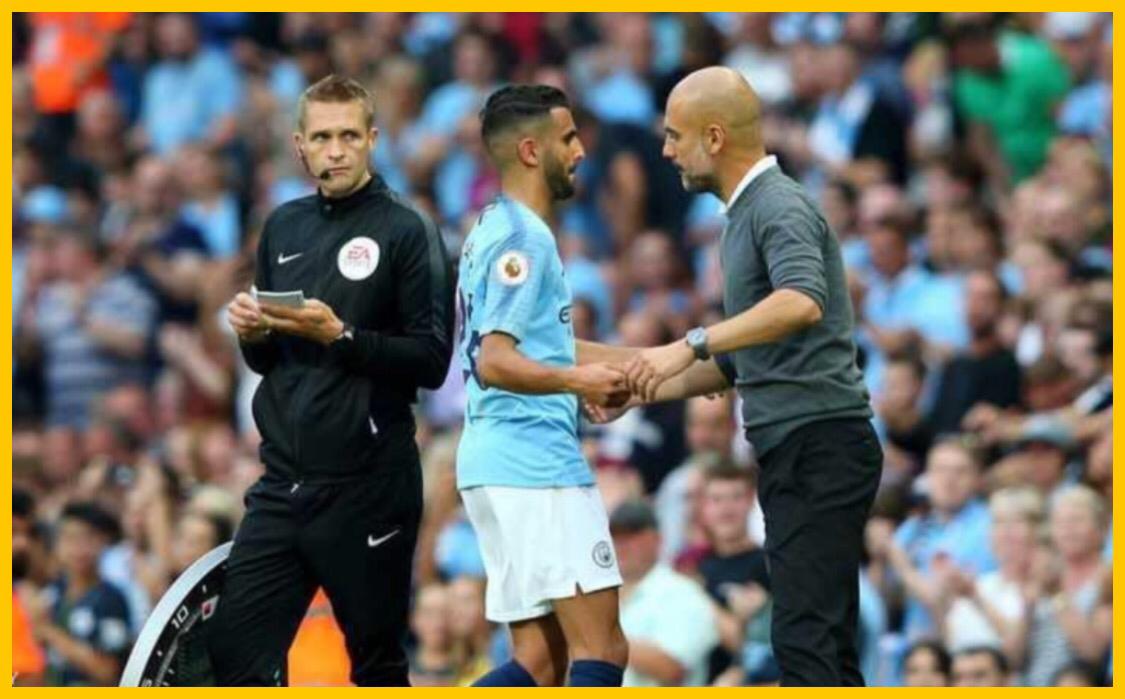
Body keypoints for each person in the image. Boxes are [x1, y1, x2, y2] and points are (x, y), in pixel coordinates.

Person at [624, 66, 882, 686]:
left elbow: (801, 300)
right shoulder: (743, 217)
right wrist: (635, 382)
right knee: (823, 640)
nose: (666, 150)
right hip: (802, 443)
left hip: (819, 440)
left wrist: (690, 343)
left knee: (803, 639)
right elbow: (741, 360)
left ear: (714, 137)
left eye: (674, 135)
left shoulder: (777, 205)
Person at [209, 74, 455, 686]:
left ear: (373, 140)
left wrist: (340, 336)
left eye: (349, 135)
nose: (336, 149)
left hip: (369, 485)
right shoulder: (283, 227)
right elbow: (271, 364)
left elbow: (431, 360)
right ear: (300, 147)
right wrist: (253, 332)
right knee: (235, 655)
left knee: (375, 665)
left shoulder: (408, 229)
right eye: (322, 137)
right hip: (283, 482)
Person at [454, 84, 630, 687]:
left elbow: (537, 349)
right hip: (535, 463)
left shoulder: (490, 226)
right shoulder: (525, 240)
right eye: (569, 138)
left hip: (494, 461)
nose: (580, 151)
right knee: (601, 648)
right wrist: (578, 380)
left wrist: (652, 364)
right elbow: (496, 360)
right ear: (532, 151)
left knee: (540, 663)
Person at [611, 499, 720, 686]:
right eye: (615, 537)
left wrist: (598, 638)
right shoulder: (601, 597)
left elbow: (672, 668)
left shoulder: (682, 593)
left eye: (631, 536)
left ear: (656, 539)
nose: (621, 546)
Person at [31, 502, 132, 686]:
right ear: (57, 543)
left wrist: (50, 632)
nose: (78, 548)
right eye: (70, 538)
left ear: (103, 542)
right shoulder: (49, 594)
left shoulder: (111, 598)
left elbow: (108, 671)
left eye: (87, 538)